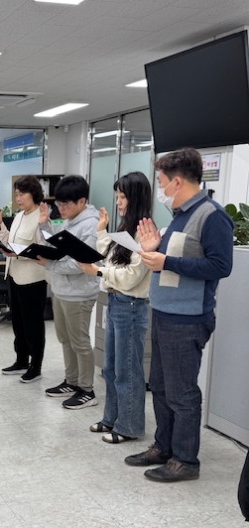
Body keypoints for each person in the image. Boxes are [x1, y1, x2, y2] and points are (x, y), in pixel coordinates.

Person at [125, 148, 233, 482]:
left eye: (161, 182)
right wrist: (154, 249)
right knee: (159, 386)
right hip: (164, 313)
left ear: (176, 182)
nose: (159, 189)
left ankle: (186, 460)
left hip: (187, 320)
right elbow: (176, 258)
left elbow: (220, 266)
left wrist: (167, 261)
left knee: (182, 393)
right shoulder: (180, 215)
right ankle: (164, 447)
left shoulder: (211, 215)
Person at [77, 172, 152, 443]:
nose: (118, 201)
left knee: (127, 370)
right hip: (116, 302)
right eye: (117, 196)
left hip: (130, 305)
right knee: (110, 368)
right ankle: (111, 418)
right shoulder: (126, 227)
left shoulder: (145, 232)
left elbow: (131, 276)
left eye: (122, 197)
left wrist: (98, 272)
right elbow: (111, 258)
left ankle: (129, 426)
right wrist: (102, 230)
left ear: (136, 198)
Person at [37, 175, 100, 409]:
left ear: (81, 201)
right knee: (65, 339)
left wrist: (49, 264)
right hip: (61, 290)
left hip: (80, 294)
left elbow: (79, 264)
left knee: (80, 342)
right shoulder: (70, 221)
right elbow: (57, 243)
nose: (60, 209)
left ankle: (87, 390)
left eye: (65, 204)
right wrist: (45, 225)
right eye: (58, 204)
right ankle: (71, 381)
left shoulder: (90, 225)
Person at [0, 176, 49, 383]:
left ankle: (36, 366)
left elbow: (42, 250)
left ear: (33, 194)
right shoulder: (18, 216)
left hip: (32, 279)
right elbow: (10, 242)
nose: (18, 198)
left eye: (22, 194)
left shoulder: (40, 218)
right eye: (16, 194)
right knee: (18, 322)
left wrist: (17, 253)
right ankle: (21, 359)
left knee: (33, 324)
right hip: (14, 276)